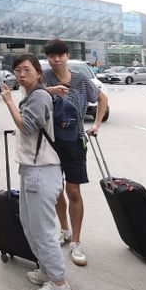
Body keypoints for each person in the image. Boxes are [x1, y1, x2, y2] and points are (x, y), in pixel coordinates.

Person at [1, 54, 73, 290]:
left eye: (26, 70)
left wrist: (9, 102)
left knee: (42, 230)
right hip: (33, 170)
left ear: (38, 73)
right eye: (17, 70)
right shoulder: (36, 93)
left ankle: (59, 286)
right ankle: (46, 270)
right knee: (29, 224)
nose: (21, 74)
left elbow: (28, 127)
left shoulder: (38, 95)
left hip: (42, 171)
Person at [42, 38, 108, 267]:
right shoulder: (44, 78)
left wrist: (96, 124)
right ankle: (64, 230)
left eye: (60, 55)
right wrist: (47, 90)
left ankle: (76, 242)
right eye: (52, 56)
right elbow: (29, 99)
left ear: (67, 56)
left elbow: (102, 99)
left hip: (75, 141)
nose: (56, 59)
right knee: (56, 188)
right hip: (50, 141)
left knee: (73, 190)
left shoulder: (81, 80)